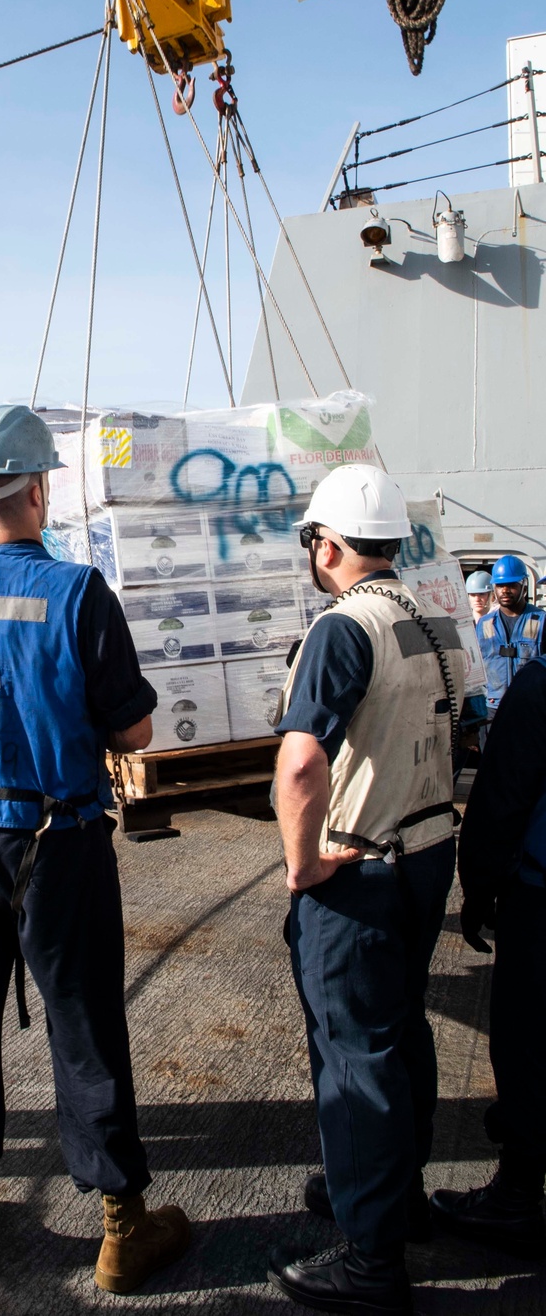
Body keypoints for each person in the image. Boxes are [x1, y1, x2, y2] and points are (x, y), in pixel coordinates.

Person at [0, 403, 189, 1294]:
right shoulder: (78, 593)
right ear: (38, 490)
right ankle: (120, 1226)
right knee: (85, 1026)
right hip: (55, 844)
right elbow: (135, 729)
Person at [266, 464, 467, 1316]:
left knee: (356, 1056)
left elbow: (303, 758)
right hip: (429, 849)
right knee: (399, 1031)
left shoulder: (344, 630)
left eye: (314, 542)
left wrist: (303, 863)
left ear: (330, 544)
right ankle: (398, 1195)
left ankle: (372, 1260)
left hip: (363, 868)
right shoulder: (439, 622)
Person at [430, 656, 546, 1256]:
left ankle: (519, 1194)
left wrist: (478, 887)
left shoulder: (539, 684)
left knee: (528, 1043)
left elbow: (502, 798)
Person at [477, 555, 545, 714]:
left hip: (531, 707)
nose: (505, 590)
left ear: (523, 586)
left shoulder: (541, 620)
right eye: (500, 585)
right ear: (494, 588)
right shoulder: (484, 624)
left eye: (511, 585)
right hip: (493, 707)